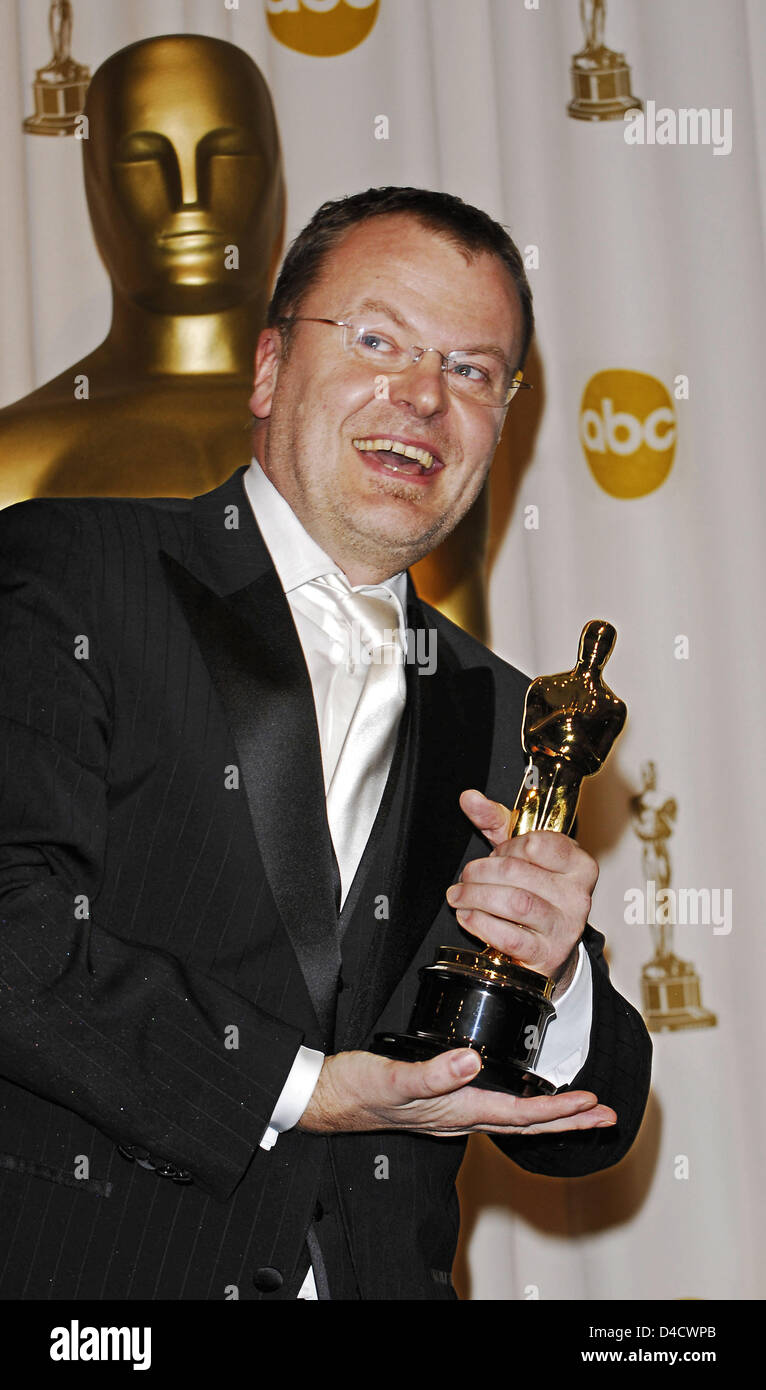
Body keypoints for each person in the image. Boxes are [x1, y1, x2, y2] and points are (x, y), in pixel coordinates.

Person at [0, 186, 651, 1301]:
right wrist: (306, 1088)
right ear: (266, 368)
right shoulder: (71, 568)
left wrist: (557, 976)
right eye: (377, 339)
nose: (423, 398)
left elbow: (588, 1128)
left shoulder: (503, 707)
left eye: (472, 370)